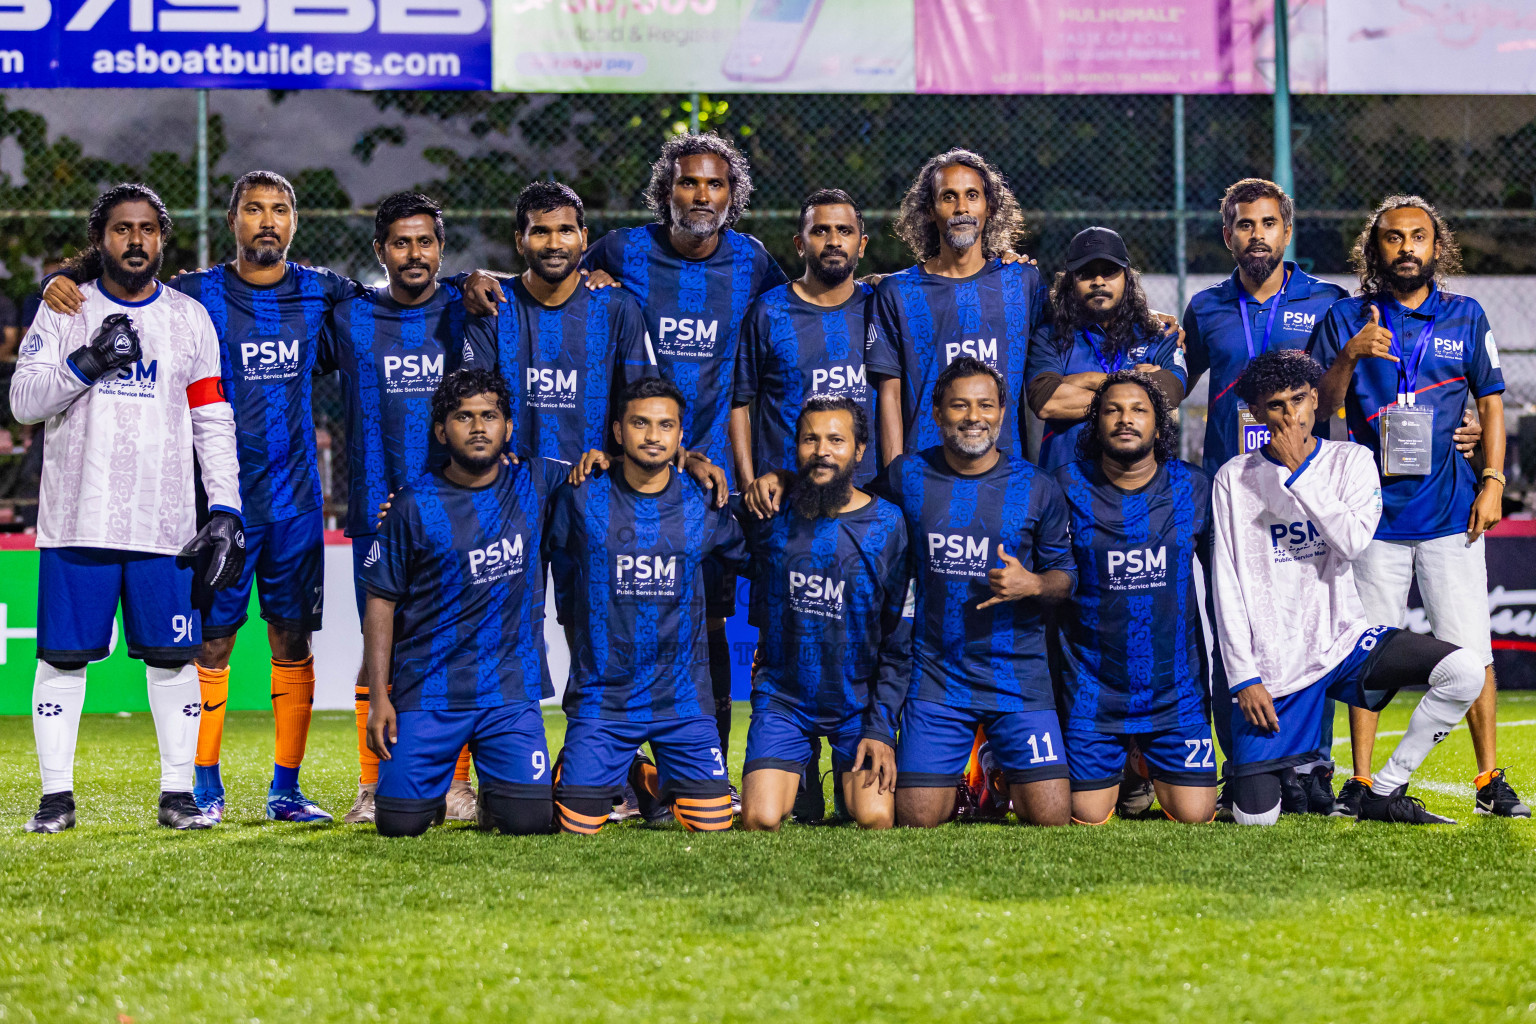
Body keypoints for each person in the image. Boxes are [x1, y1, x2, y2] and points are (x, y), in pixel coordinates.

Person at [46, 171, 359, 824]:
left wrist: (471, 288)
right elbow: (128, 270)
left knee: (291, 641)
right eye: (253, 210)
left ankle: (286, 790)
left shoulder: (322, 292)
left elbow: (402, 299)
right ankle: (205, 787)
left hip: (297, 502)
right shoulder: (195, 296)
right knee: (208, 646)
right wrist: (69, 277)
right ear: (232, 221)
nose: (267, 221)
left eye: (280, 209)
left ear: (294, 222)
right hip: (213, 509)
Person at [12, 183, 244, 832]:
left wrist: (224, 507)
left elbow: (212, 418)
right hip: (75, 518)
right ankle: (55, 800)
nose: (135, 240)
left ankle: (178, 796)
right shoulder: (65, 307)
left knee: (174, 660)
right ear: (100, 240)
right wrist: (87, 361)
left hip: (165, 524)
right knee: (61, 659)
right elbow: (24, 401)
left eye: (147, 229)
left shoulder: (188, 319)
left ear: (162, 239)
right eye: (121, 229)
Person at [1311, 195, 1526, 818]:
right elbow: (1323, 408)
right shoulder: (1347, 317)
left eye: (1419, 237)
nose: (1407, 247)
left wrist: (1492, 479)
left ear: (1438, 246)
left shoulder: (1465, 315)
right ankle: (1359, 781)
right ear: (1373, 248)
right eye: (1393, 237)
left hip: (1452, 513)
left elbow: (1489, 405)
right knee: (1368, 652)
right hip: (1372, 518)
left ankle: (1488, 781)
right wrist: (1351, 354)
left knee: (1471, 652)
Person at [1213, 349, 1484, 825]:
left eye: (1298, 399)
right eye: (1274, 405)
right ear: (1255, 412)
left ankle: (1385, 788)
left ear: (1316, 399)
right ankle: (1275, 771)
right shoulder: (1234, 477)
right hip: (1277, 667)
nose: (1290, 414)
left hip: (1344, 643)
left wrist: (1301, 473)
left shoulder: (1352, 460)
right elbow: (1226, 585)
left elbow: (1354, 543)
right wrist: (1244, 677)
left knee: (1464, 672)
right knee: (1256, 818)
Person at [323, 192, 487, 825]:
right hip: (377, 508)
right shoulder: (351, 316)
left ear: (441, 248)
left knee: (459, 641)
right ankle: (371, 786)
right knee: (378, 646)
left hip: (462, 509)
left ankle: (457, 786)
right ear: (379, 251)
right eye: (400, 243)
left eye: (425, 242)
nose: (413, 254)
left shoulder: (472, 306)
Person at [858, 356, 1076, 826]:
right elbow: (853, 510)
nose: (973, 416)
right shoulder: (905, 477)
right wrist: (786, 480)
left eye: (985, 405)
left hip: (1018, 677)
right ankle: (970, 775)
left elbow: (1065, 578)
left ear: (1002, 412)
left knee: (1054, 818)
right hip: (938, 677)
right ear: (936, 414)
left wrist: (1032, 583)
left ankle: (995, 769)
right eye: (959, 405)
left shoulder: (1037, 487)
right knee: (918, 819)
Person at [362, 369, 562, 837]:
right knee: (398, 825)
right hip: (430, 689)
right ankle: (425, 794)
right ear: (441, 431)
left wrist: (692, 461)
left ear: (508, 427)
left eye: (489, 416)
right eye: (463, 416)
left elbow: (615, 471)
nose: (477, 427)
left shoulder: (537, 481)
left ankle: (500, 793)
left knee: (530, 822)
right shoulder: (412, 506)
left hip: (508, 693)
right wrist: (378, 696)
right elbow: (379, 604)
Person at [547, 377, 748, 834]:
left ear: (680, 437)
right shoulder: (580, 496)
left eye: (665, 426)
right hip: (604, 698)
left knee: (713, 823)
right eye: (640, 423)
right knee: (575, 827)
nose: (653, 435)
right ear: (618, 431)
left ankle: (644, 772)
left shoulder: (703, 501)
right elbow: (530, 547)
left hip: (681, 701)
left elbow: (761, 557)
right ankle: (581, 767)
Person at [736, 396, 909, 831]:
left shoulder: (889, 524)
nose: (822, 451)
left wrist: (883, 727)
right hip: (784, 699)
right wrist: (700, 463)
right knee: (760, 818)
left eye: (836, 439)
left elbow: (900, 637)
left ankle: (827, 770)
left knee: (874, 818)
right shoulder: (771, 513)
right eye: (810, 439)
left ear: (860, 449)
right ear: (795, 447)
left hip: (859, 704)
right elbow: (709, 516)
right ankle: (803, 765)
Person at [1053, 372, 1215, 824]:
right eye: (1113, 410)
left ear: (1159, 427)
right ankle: (1127, 766)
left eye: (1139, 410)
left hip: (1175, 691)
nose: (1126, 419)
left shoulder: (1194, 487)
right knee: (1085, 816)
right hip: (1093, 690)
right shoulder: (1063, 487)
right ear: (1096, 424)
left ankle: (1140, 761)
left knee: (1196, 815)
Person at [865, 148, 1048, 466]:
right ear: (929, 210)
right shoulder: (896, 292)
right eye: (948, 197)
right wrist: (896, 477)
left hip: (1007, 472)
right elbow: (890, 396)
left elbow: (1053, 363)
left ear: (989, 207)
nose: (962, 207)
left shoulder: (1024, 282)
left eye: (972, 195)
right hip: (925, 471)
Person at [466, 181, 656, 460]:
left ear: (584, 238)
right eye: (541, 231)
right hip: (512, 483)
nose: (554, 244)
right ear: (520, 241)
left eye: (565, 230)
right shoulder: (494, 306)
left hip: (593, 483)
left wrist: (618, 462)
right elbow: (473, 399)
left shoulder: (618, 308)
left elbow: (645, 401)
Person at [731, 189, 879, 490]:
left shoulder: (881, 307)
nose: (834, 241)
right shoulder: (768, 312)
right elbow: (738, 402)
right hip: (785, 494)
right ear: (800, 244)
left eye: (845, 231)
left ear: (861, 245)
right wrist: (748, 485)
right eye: (820, 230)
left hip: (865, 494)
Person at [1026, 226, 1187, 473]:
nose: (1098, 281)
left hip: (1140, 486)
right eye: (1086, 273)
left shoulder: (1159, 331)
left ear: (1127, 277)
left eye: (1109, 272)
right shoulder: (1049, 335)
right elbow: (1046, 401)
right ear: (1071, 281)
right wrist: (1136, 385)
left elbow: (1172, 389)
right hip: (1066, 484)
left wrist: (1080, 381)